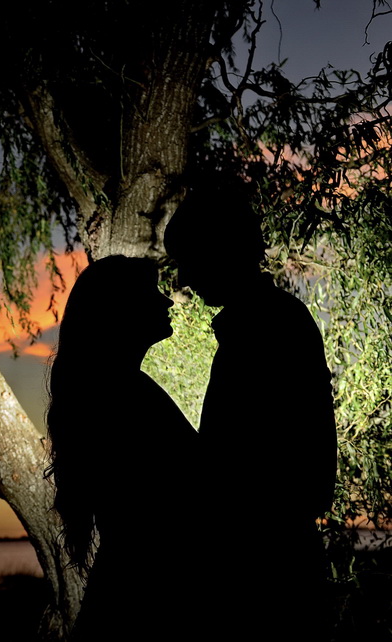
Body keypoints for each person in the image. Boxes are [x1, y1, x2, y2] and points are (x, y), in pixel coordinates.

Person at [164, 193, 336, 640]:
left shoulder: (267, 332)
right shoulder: (267, 325)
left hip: (265, 576)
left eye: (187, 260)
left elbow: (250, 464)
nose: (182, 279)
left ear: (219, 251)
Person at [46, 255, 203, 640]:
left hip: (128, 589)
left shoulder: (113, 389)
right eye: (151, 293)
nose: (166, 302)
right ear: (119, 311)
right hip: (144, 599)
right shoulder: (122, 394)